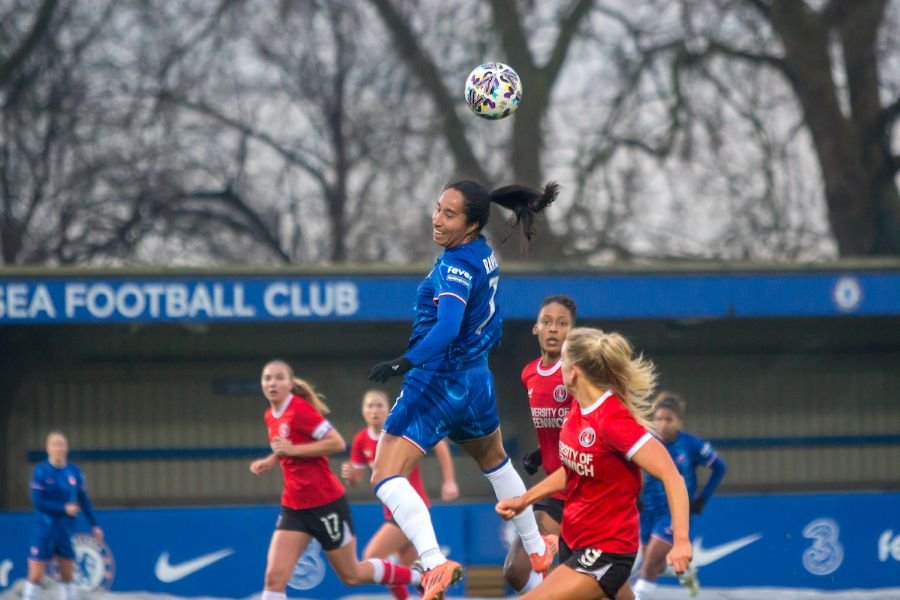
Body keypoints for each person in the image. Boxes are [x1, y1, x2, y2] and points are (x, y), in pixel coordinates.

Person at [367, 179, 560, 600]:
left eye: (449, 214)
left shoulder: (455, 266)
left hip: (437, 381)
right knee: (494, 461)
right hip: (476, 381)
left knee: (384, 475)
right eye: (438, 208)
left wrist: (405, 361)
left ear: (472, 224)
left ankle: (434, 563)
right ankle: (537, 545)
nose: (437, 219)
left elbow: (448, 326)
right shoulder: (483, 254)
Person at [496, 328, 692, 600]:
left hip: (607, 550)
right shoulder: (576, 410)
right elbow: (573, 469)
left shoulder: (613, 421)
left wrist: (681, 541)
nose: (556, 368)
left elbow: (672, 476)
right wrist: (524, 500)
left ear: (574, 371)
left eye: (562, 362)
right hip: (576, 544)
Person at [249, 360, 421, 600]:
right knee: (274, 579)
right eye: (267, 378)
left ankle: (419, 578)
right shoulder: (271, 415)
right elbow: (287, 447)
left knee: (352, 575)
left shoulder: (299, 409)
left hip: (326, 504)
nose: (272, 383)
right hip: (294, 507)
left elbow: (336, 443)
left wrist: (291, 450)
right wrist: (272, 459)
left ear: (289, 383)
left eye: (279, 378)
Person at [341, 388, 460, 600]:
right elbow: (357, 479)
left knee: (372, 557)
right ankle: (427, 581)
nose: (375, 410)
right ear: (363, 411)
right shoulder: (361, 440)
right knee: (416, 577)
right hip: (390, 511)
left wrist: (449, 481)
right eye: (370, 405)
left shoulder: (399, 430)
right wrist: (350, 476)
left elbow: (440, 444)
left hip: (409, 507)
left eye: (379, 405)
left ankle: (419, 583)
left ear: (388, 409)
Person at [503, 294, 577, 594]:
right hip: (554, 492)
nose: (553, 329)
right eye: (547, 322)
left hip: (585, 492)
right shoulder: (529, 374)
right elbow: (558, 423)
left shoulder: (578, 373)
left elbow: (589, 426)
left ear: (573, 331)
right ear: (536, 328)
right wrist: (540, 450)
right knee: (516, 570)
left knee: (594, 587)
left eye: (562, 324)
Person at [633, 392, 727, 599]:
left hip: (674, 513)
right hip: (648, 511)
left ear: (679, 422)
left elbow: (719, 467)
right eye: (658, 419)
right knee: (653, 564)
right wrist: (635, 495)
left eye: (669, 419)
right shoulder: (646, 442)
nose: (663, 424)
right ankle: (686, 572)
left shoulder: (691, 445)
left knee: (648, 565)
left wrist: (703, 498)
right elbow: (632, 466)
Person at [24, 431, 104, 600]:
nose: (58, 448)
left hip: (65, 530)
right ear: (48, 448)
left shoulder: (74, 472)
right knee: (36, 575)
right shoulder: (41, 472)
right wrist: (63, 508)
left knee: (68, 574)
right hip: (45, 530)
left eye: (61, 444)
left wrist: (94, 524)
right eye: (55, 444)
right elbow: (38, 503)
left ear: (66, 448)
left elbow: (84, 500)